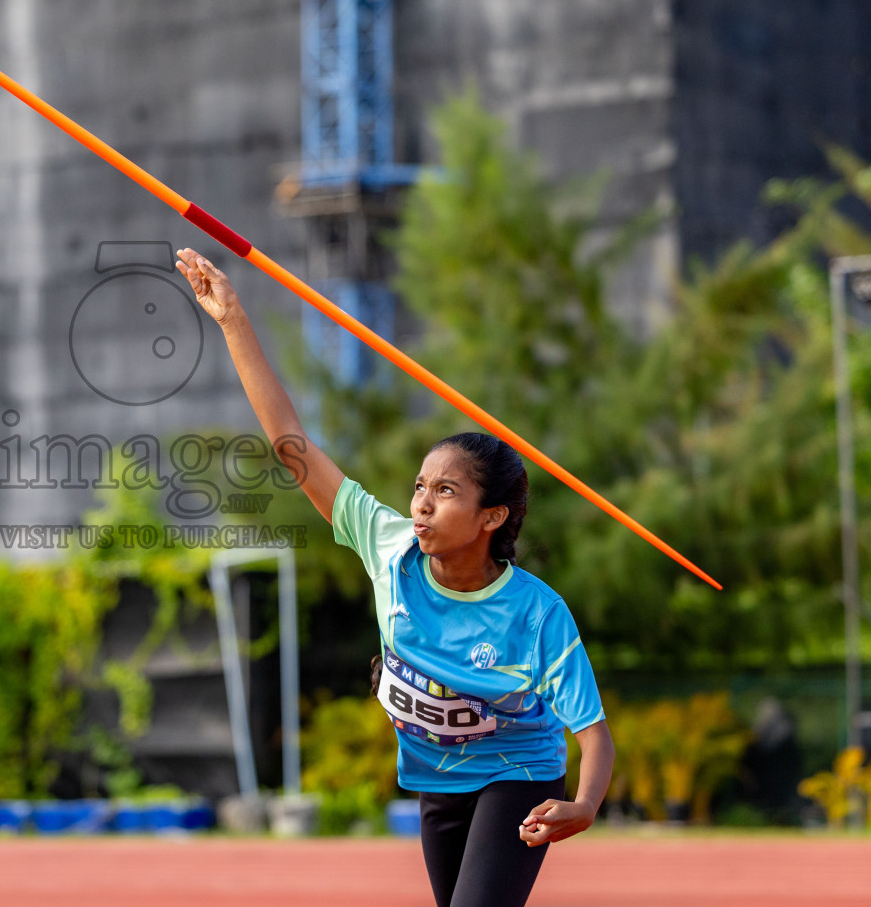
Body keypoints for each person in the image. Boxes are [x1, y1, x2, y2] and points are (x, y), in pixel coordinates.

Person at [175, 247, 614, 907]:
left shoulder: (534, 611)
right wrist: (234, 319)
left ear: (491, 515)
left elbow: (594, 734)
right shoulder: (388, 546)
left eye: (444, 491)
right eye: (418, 487)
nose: (421, 504)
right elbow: (291, 444)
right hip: (436, 779)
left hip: (519, 772)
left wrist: (582, 804)